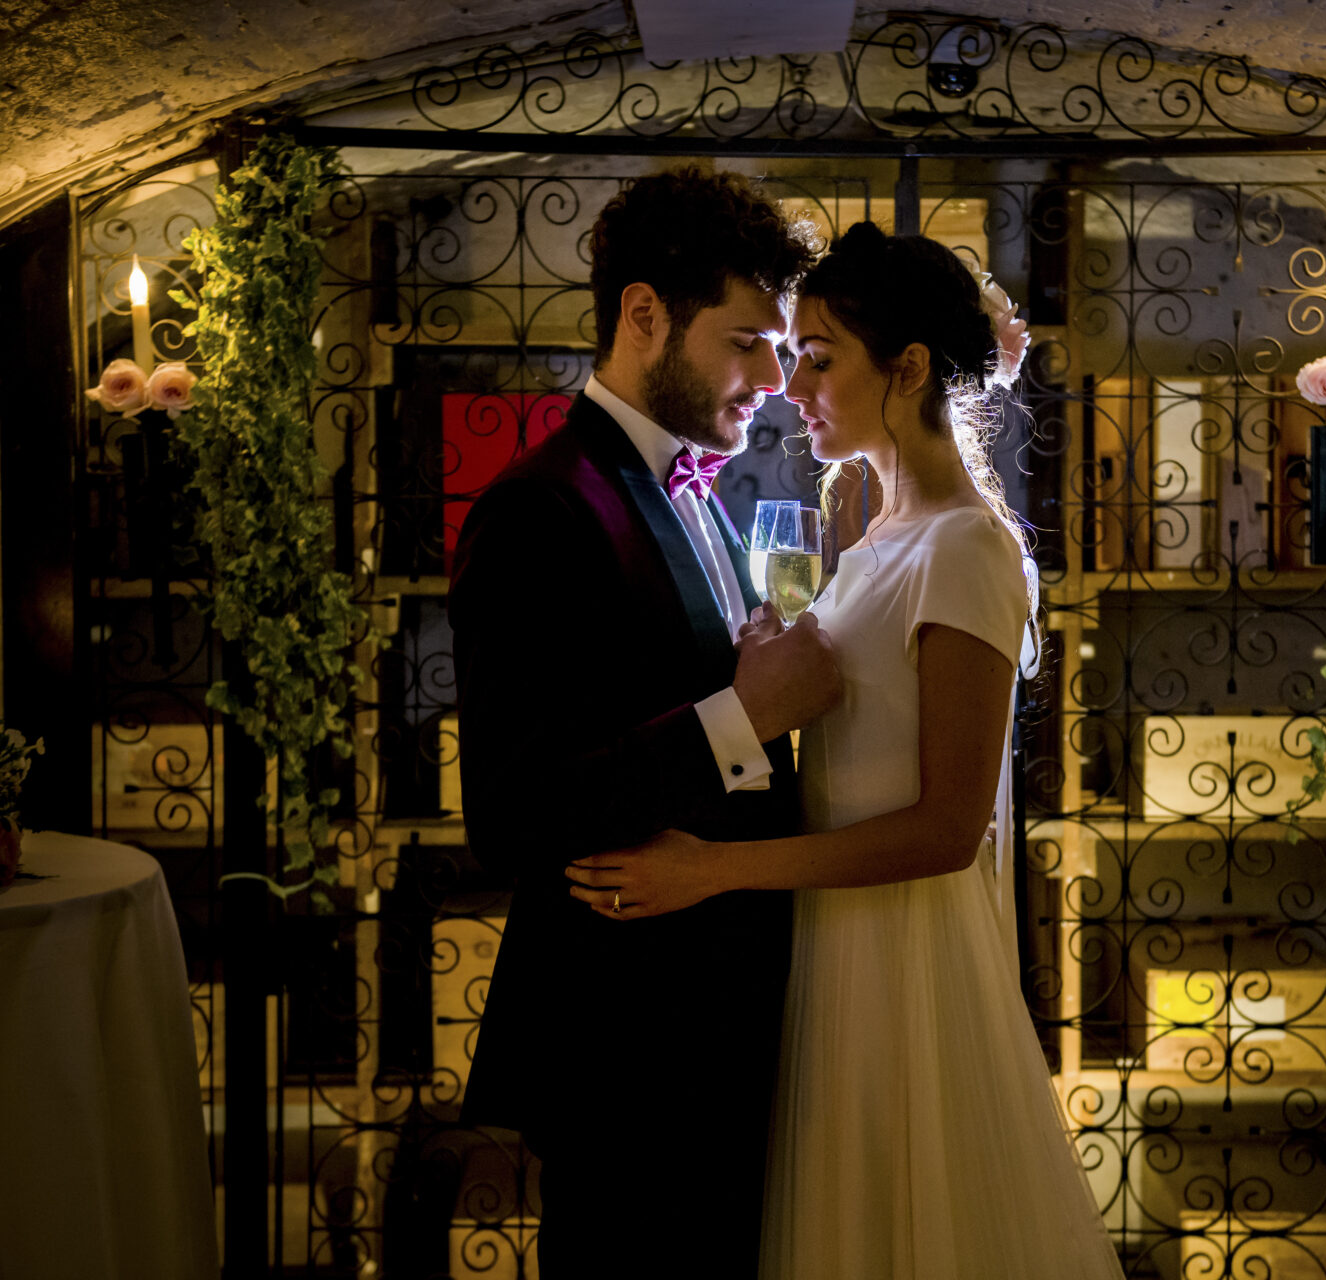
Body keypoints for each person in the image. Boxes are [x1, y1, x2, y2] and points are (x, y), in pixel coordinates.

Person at [567, 223, 1128, 1279]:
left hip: (905, 960)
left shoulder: (966, 546)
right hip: (830, 947)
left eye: (819, 357)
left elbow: (948, 830)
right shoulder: (872, 533)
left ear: (907, 368)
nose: (792, 387)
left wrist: (712, 869)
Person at [448, 168, 841, 1277]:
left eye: (781, 349)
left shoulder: (698, 488)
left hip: (719, 1021)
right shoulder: (539, 507)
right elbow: (513, 814)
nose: (773, 378)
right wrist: (743, 717)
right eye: (746, 342)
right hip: (627, 1042)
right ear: (643, 314)